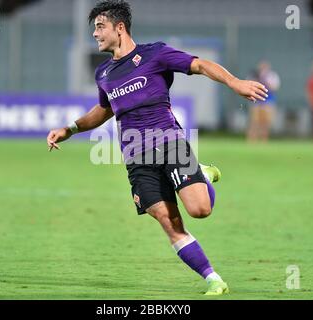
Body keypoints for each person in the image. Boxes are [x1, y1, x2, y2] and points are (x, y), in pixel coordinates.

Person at [46, 0, 267, 295]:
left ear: (119, 27)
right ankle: (213, 279)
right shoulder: (104, 74)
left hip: (170, 145)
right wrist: (69, 129)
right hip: (136, 158)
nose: (95, 34)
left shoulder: (155, 54)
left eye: (100, 27)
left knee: (200, 210)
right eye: (94, 29)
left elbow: (199, 65)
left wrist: (234, 82)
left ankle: (202, 174)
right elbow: (103, 111)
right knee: (167, 219)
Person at [246, 61, 280, 142]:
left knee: (265, 122)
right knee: (254, 121)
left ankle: (264, 139)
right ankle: (252, 138)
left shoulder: (272, 76)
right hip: (256, 101)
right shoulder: (254, 75)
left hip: (268, 101)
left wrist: (265, 80)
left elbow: (274, 87)